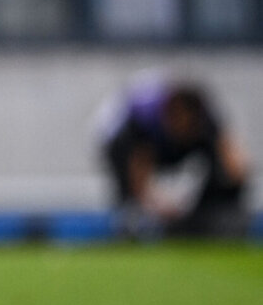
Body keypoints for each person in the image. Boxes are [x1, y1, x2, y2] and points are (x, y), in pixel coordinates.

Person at [98, 76, 250, 240]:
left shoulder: (206, 122)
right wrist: (161, 207)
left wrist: (231, 189)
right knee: (132, 201)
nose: (184, 127)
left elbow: (236, 167)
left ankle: (210, 219)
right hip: (120, 141)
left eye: (188, 123)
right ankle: (130, 226)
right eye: (179, 120)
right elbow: (138, 184)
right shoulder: (141, 126)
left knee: (223, 179)